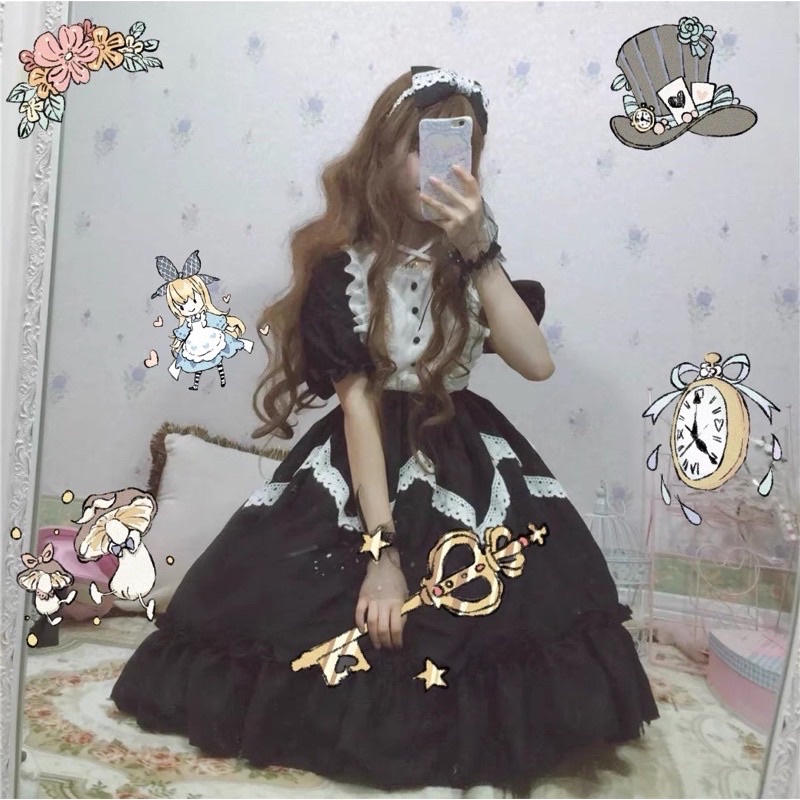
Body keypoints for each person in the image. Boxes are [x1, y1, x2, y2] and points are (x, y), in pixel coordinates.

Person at [112, 66, 659, 793]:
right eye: (426, 146)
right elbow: (359, 412)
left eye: (463, 147)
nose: (446, 164)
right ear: (387, 150)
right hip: (361, 463)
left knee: (498, 609)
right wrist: (382, 554)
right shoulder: (344, 269)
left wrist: (480, 248)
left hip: (465, 452)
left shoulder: (471, 262)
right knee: (324, 608)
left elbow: (537, 363)